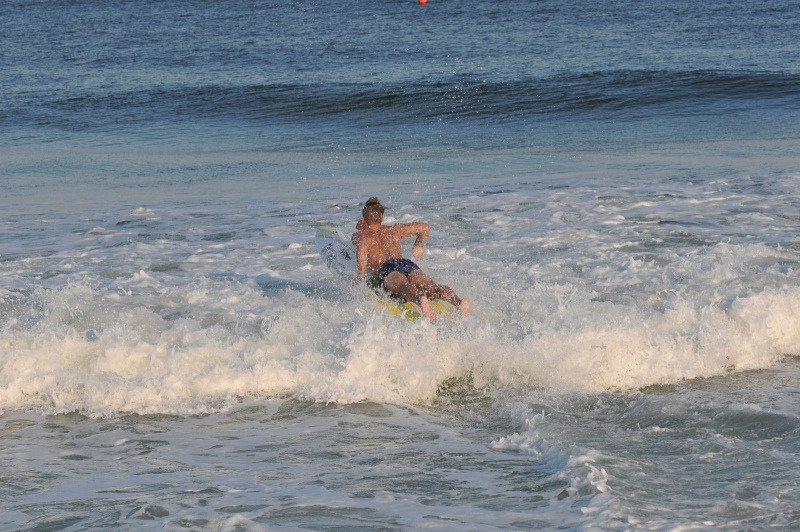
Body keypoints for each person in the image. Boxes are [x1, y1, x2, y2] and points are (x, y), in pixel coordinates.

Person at [352, 197, 470, 321]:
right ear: (382, 218)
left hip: (388, 268)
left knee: (403, 286)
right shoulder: (394, 230)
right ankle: (459, 301)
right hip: (405, 263)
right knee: (431, 286)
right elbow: (424, 228)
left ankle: (420, 299)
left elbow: (362, 249)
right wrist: (418, 246)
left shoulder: (361, 235)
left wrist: (361, 274)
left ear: (363, 218)